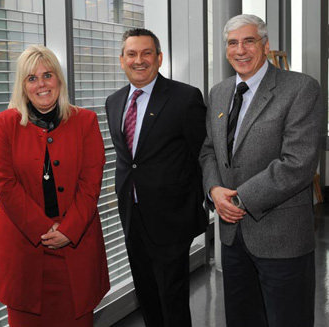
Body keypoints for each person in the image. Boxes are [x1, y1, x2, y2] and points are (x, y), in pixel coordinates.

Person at [199, 14, 323, 327]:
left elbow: (298, 162)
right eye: (232, 43)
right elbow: (210, 150)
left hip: (282, 237)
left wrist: (238, 200)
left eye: (249, 41)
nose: (240, 50)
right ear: (226, 50)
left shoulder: (300, 88)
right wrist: (214, 191)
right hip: (232, 239)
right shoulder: (218, 92)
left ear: (265, 46)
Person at [0, 44, 109, 327]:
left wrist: (68, 230)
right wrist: (43, 228)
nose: (41, 84)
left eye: (48, 75)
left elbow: (91, 185)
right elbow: (2, 182)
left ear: (59, 80)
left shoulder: (86, 121)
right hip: (23, 253)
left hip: (75, 248)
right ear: (23, 85)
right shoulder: (5, 123)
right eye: (32, 78)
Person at [105, 28, 207, 327]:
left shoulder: (185, 97)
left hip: (172, 219)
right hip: (132, 215)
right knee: (146, 294)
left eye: (146, 53)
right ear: (121, 60)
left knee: (172, 299)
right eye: (132, 54)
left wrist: (193, 205)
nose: (140, 60)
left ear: (159, 58)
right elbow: (129, 161)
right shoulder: (113, 102)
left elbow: (204, 155)